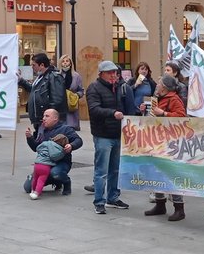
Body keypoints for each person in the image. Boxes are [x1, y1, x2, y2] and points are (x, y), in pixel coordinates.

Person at [86, 60, 131, 214]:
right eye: (110, 72)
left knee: (116, 169)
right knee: (101, 171)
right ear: (101, 74)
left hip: (118, 134)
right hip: (103, 134)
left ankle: (113, 197)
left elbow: (125, 106)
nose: (114, 75)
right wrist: (112, 113)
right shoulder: (94, 88)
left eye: (115, 72)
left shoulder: (119, 87)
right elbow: (94, 109)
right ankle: (99, 201)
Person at [145, 75, 188, 221]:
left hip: (170, 143)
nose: (157, 85)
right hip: (157, 141)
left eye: (159, 83)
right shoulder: (158, 98)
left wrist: (164, 113)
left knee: (172, 174)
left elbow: (181, 117)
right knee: (157, 173)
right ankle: (160, 203)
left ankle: (179, 208)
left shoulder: (174, 99)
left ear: (165, 87)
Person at [24, 108, 82, 196]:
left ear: (55, 118)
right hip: (45, 164)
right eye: (43, 116)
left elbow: (78, 140)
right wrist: (29, 138)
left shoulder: (66, 129)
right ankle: (55, 180)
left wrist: (71, 145)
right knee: (28, 188)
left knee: (55, 173)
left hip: (61, 162)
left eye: (47, 116)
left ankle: (65, 182)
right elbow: (36, 148)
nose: (43, 118)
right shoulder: (41, 130)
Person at [25, 53, 68, 132]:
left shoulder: (54, 77)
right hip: (41, 119)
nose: (32, 67)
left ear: (41, 65)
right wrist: (21, 81)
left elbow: (57, 100)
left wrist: (49, 118)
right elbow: (33, 90)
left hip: (48, 121)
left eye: (34, 65)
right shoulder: (41, 77)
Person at [28, 134, 69, 200]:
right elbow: (54, 157)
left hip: (37, 164)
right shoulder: (59, 149)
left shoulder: (46, 143)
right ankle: (36, 193)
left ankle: (33, 190)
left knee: (35, 178)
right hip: (45, 166)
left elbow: (38, 148)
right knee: (41, 180)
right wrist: (63, 153)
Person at [60, 54, 83, 130]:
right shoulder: (57, 76)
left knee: (71, 129)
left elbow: (81, 90)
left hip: (72, 105)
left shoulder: (76, 76)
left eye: (67, 61)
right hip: (60, 103)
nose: (65, 63)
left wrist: (75, 96)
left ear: (70, 63)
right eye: (63, 61)